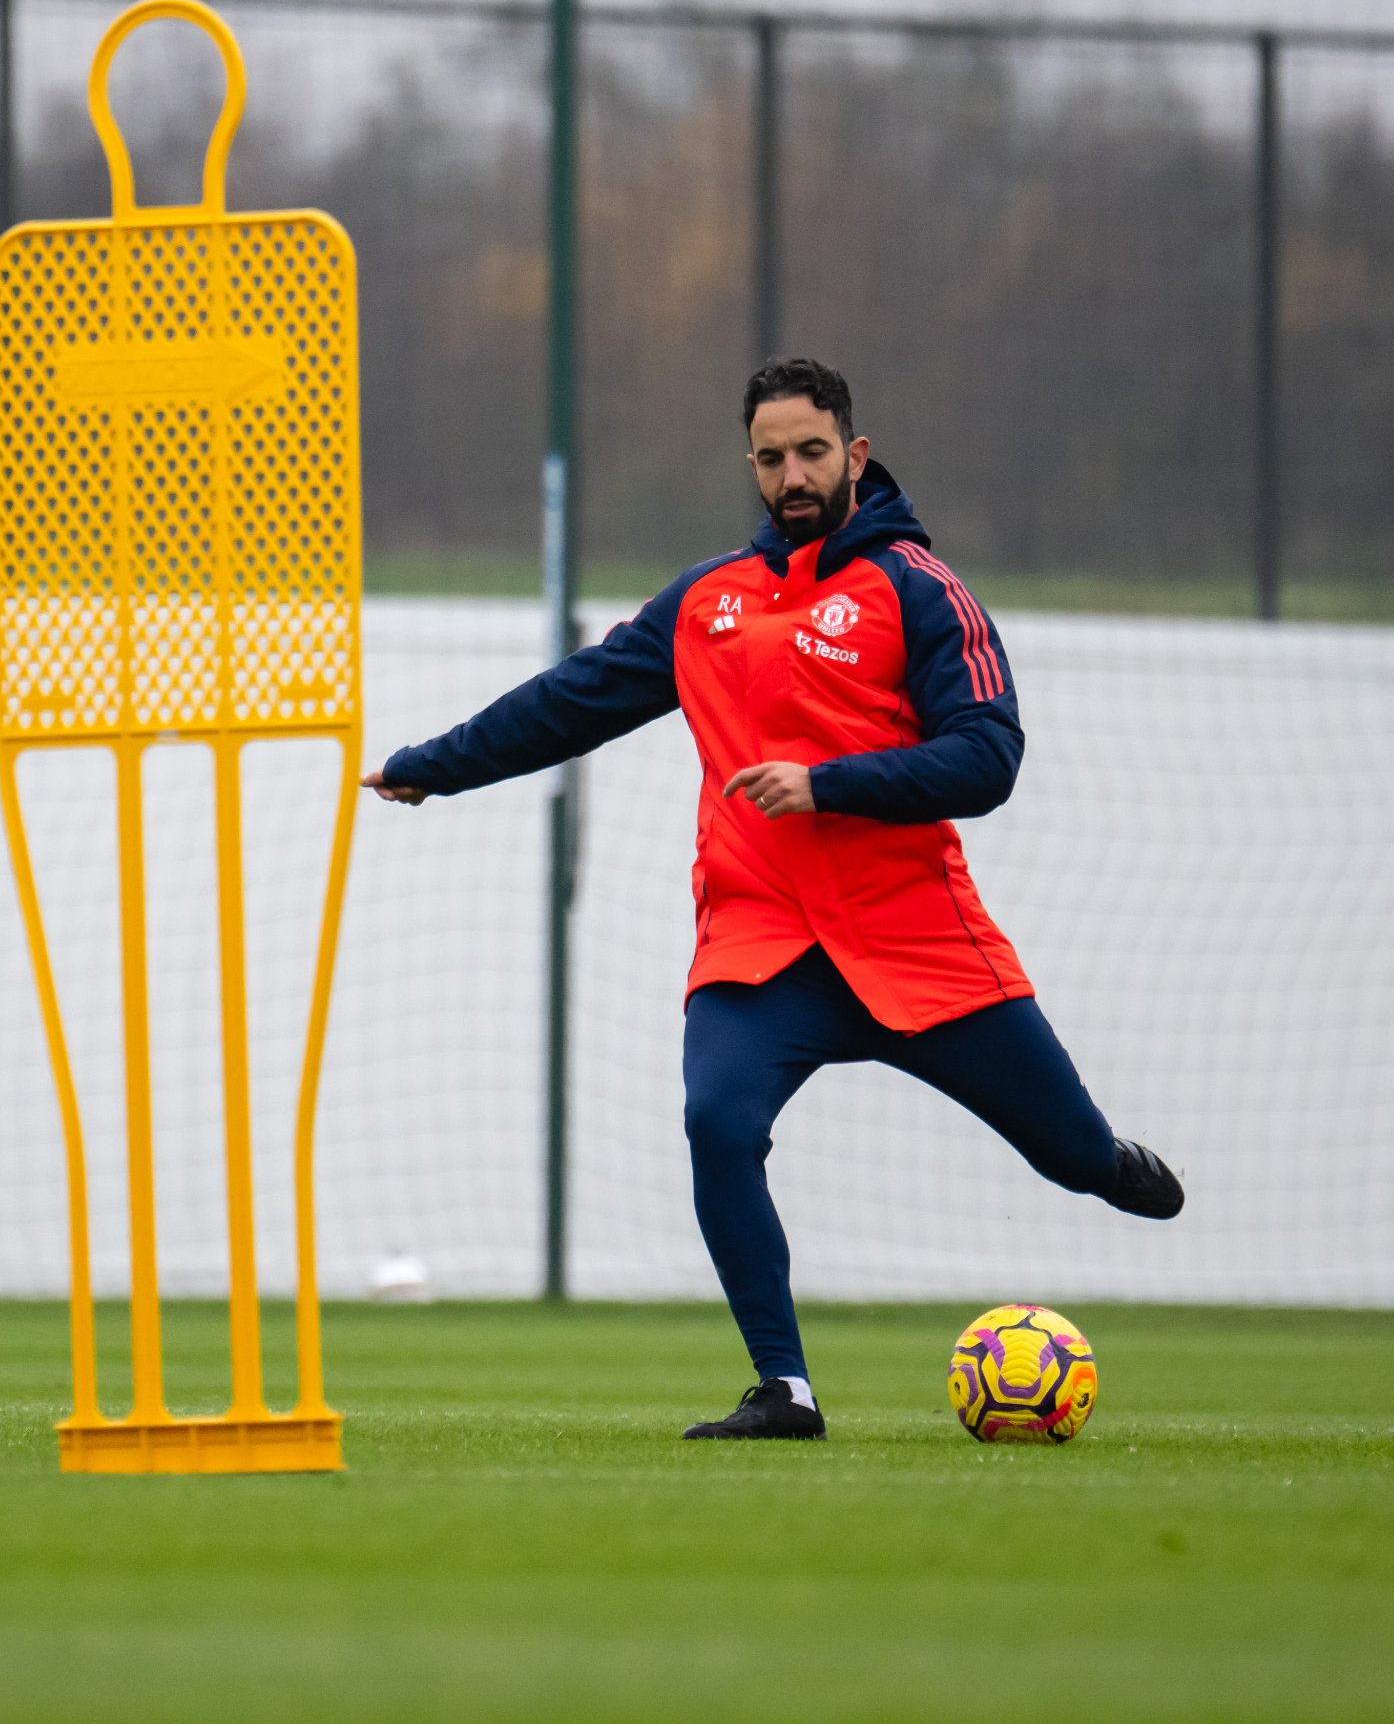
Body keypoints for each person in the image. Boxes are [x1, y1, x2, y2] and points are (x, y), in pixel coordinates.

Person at [369, 356, 1182, 1440]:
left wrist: (825, 782)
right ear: (748, 463)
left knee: (1073, 1158)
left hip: (916, 940)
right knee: (717, 1120)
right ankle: (783, 1389)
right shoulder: (708, 600)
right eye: (770, 456)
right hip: (760, 946)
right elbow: (575, 698)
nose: (791, 474)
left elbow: (987, 760)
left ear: (854, 452)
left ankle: (1104, 1159)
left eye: (810, 451)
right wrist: (436, 762)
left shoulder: (917, 590)